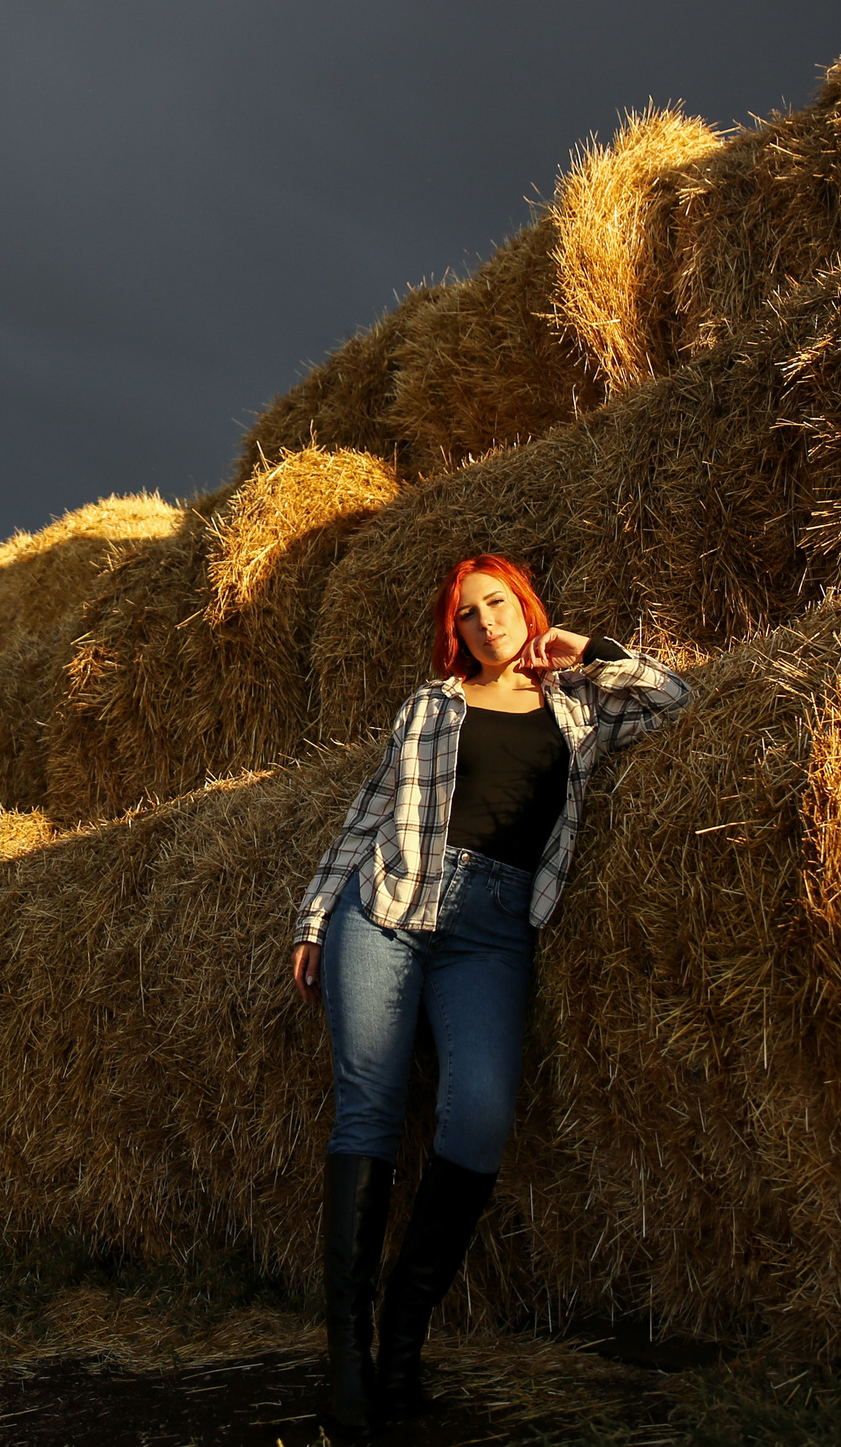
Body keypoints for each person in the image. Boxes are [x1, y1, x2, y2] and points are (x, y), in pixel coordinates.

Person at [288, 553, 691, 1435]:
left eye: (497, 603)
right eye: (468, 614)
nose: (484, 621)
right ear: (455, 631)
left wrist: (584, 646)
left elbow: (675, 697)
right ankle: (350, 1364)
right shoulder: (431, 703)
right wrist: (317, 915)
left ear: (523, 606)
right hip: (389, 906)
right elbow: (371, 806)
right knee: (369, 1113)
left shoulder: (578, 706)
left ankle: (404, 1340)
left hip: (494, 928)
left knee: (477, 1119)